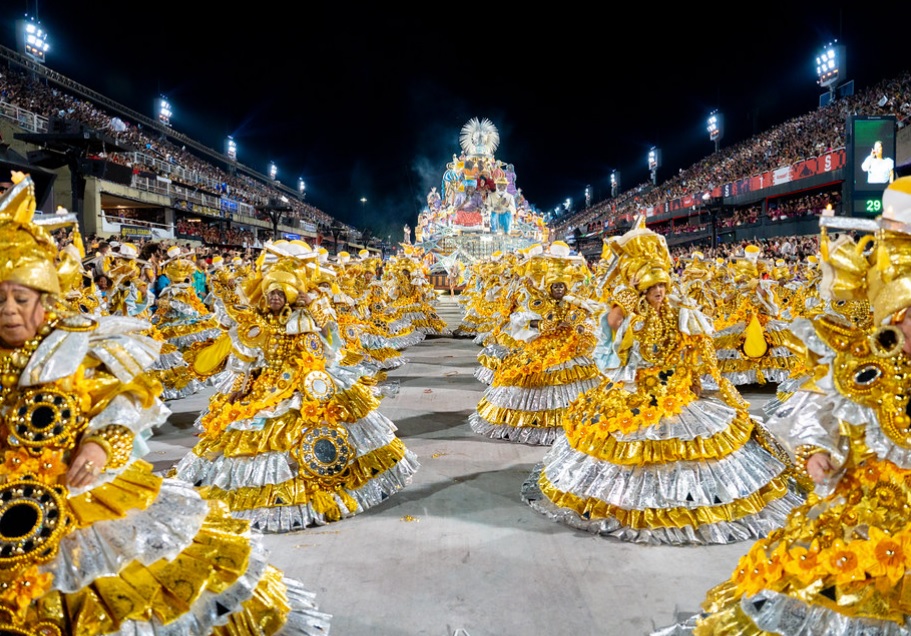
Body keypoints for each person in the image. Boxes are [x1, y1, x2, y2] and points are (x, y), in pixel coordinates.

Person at [0, 173, 330, 634]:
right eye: (0, 299)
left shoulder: (74, 345)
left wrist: (100, 445)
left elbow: (125, 397)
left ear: (44, 300)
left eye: (20, 298)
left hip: (82, 486)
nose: (9, 310)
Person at [652, 177, 911, 634]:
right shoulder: (861, 361)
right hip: (870, 502)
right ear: (894, 316)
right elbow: (819, 403)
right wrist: (816, 451)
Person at [522, 218, 804, 544]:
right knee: (626, 440)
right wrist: (621, 367)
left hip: (674, 387)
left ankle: (690, 499)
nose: (660, 293)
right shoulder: (627, 315)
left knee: (697, 441)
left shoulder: (676, 312)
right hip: (638, 386)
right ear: (642, 290)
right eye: (654, 288)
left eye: (663, 288)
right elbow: (608, 344)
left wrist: (693, 375)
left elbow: (691, 347)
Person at [173, 239, 420, 532]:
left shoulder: (304, 318)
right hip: (266, 386)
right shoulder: (258, 324)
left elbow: (331, 346)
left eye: (281, 293)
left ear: (290, 295)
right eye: (271, 293)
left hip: (304, 382)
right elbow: (249, 360)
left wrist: (314, 312)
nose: (275, 298)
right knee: (248, 433)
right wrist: (240, 385)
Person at [469, 242, 603, 445]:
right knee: (529, 376)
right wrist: (542, 324)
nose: (559, 289)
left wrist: (579, 325)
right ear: (548, 286)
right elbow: (520, 320)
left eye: (562, 286)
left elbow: (587, 319)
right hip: (542, 345)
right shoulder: (536, 300)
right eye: (555, 286)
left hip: (570, 347)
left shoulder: (573, 301)